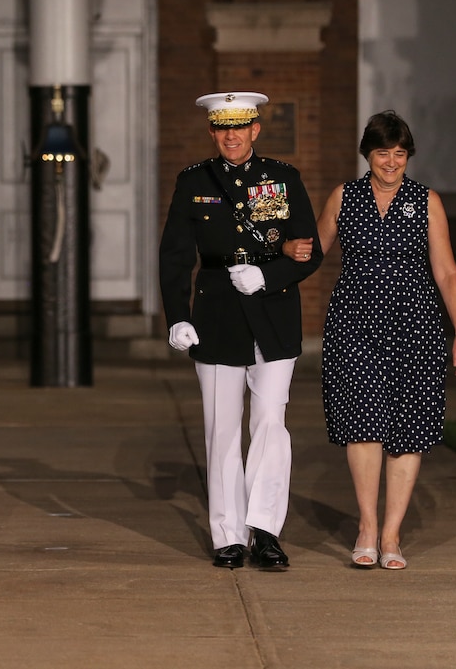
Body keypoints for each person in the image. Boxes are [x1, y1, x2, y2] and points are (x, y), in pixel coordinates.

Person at [284, 110, 456, 570]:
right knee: (363, 423)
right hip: (355, 324)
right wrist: (281, 255)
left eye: (400, 153)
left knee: (407, 430)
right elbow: (313, 253)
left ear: (409, 157)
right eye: (383, 153)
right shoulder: (344, 197)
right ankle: (366, 528)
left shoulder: (425, 201)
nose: (391, 162)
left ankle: (392, 536)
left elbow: (446, 270)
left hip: (417, 326)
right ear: (368, 154)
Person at [159, 91, 323, 569]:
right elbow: (174, 255)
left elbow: (309, 249)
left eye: (240, 125)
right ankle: (229, 534)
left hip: (272, 310)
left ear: (255, 129)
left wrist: (269, 276)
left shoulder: (283, 178)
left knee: (271, 424)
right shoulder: (194, 181)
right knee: (222, 428)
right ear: (212, 131)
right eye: (221, 127)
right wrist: (177, 316)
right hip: (216, 312)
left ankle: (266, 530)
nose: (231, 135)